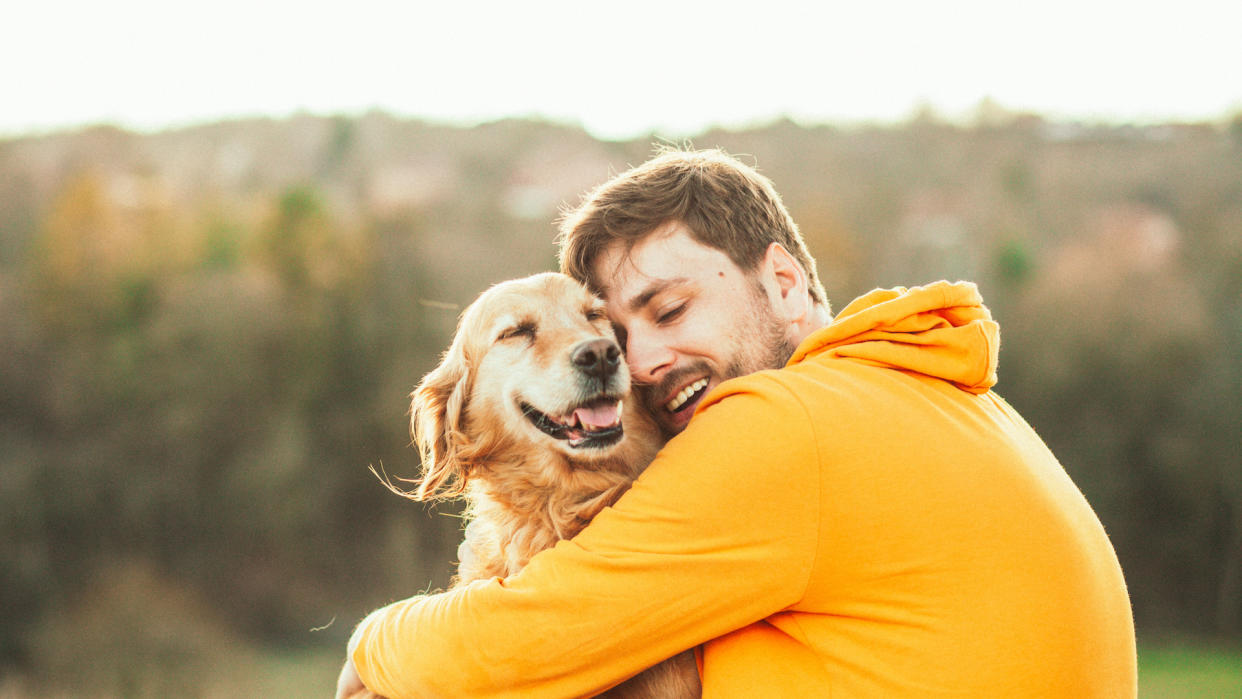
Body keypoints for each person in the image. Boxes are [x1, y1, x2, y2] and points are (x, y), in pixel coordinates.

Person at [337, 148, 1137, 697]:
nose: (638, 362)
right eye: (623, 329)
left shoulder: (785, 426)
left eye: (672, 308)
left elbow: (519, 640)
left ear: (784, 281)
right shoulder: (941, 398)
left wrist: (374, 641)